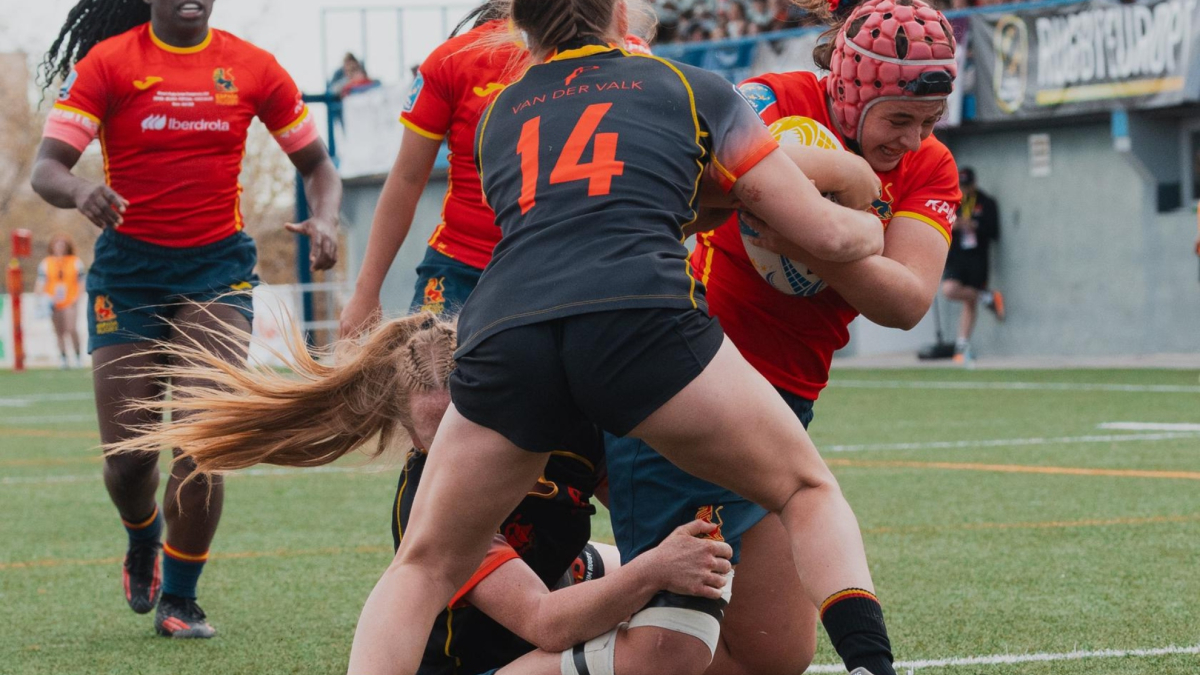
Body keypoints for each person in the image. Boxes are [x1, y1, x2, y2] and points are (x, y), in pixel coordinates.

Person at [598, 0, 964, 673]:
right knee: (672, 649)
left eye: (930, 122)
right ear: (850, 91)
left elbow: (908, 299)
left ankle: (586, 567)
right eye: (900, 119)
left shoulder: (932, 167)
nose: (913, 139)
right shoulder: (772, 98)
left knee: (777, 656)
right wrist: (818, 186)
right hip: (691, 374)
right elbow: (694, 169)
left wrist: (805, 231)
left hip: (787, 400)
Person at [111, 312, 735, 674]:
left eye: (467, 432)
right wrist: (658, 564)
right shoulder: (430, 502)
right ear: (407, 435)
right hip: (488, 659)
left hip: (546, 581)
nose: (452, 461)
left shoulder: (557, 428)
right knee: (665, 649)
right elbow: (544, 624)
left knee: (712, 571)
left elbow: (636, 489)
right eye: (431, 442)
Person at [31, 0, 341, 639]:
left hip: (216, 271)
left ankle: (180, 598)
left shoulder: (253, 67)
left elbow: (318, 166)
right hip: (129, 272)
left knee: (207, 442)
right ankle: (142, 535)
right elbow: (46, 168)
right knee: (129, 459)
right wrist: (82, 191)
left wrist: (327, 215)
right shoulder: (109, 63)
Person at [940, 166, 1002, 363]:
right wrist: (955, 225)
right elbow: (941, 223)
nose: (965, 189)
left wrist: (974, 225)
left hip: (977, 257)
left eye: (968, 185)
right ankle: (988, 296)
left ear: (974, 183)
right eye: (962, 185)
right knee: (949, 290)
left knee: (970, 301)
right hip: (957, 255)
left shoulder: (986, 202)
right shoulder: (953, 202)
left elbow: (994, 231)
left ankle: (962, 346)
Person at [36, 234, 86, 368]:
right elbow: (41, 282)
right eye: (57, 244)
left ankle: (77, 356)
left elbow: (81, 282)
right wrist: (41, 298)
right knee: (59, 331)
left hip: (70, 300)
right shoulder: (46, 262)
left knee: (71, 329)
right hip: (53, 302)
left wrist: (76, 298)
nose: (59, 247)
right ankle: (63, 358)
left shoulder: (75, 261)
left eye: (62, 244)